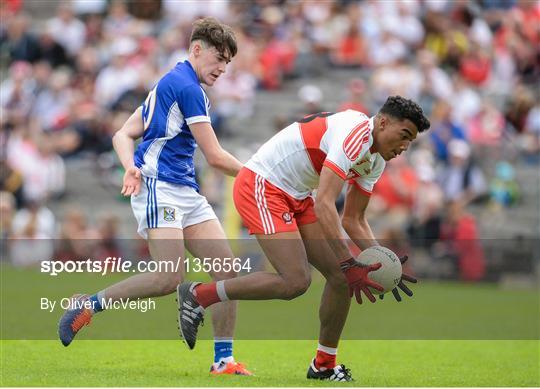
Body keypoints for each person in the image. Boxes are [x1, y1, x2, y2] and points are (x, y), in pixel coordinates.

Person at [178, 95, 430, 381]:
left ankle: (323, 365)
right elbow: (325, 203)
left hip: (296, 195)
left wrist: (384, 262)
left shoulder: (374, 161)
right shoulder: (355, 136)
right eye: (404, 135)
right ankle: (199, 295)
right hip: (263, 184)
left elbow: (353, 219)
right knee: (296, 281)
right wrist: (350, 262)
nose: (404, 147)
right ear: (383, 122)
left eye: (411, 142)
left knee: (340, 278)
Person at [58, 17, 251, 376]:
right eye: (219, 59)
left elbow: (122, 134)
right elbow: (214, 156)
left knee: (228, 272)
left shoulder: (169, 82)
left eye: (228, 62)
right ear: (197, 50)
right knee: (167, 279)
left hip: (185, 191)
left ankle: (224, 361)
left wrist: (127, 164)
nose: (224, 68)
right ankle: (89, 304)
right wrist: (261, 175)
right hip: (159, 187)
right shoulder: (188, 88)